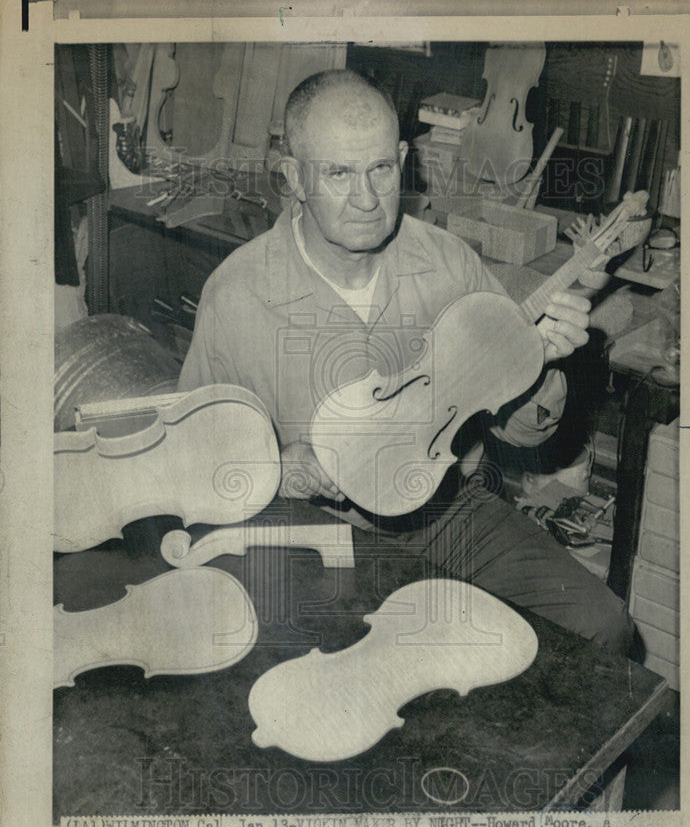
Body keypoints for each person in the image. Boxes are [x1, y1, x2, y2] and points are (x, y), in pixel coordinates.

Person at [179, 68, 634, 656]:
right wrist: (274, 466)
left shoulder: (448, 262)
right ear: (293, 177)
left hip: (446, 513)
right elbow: (193, 463)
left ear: (403, 159)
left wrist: (543, 365)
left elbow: (518, 434)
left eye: (381, 169)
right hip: (313, 532)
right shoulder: (237, 293)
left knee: (601, 623)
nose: (367, 199)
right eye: (339, 174)